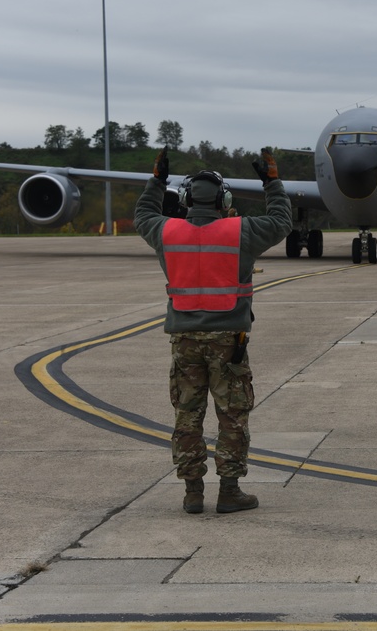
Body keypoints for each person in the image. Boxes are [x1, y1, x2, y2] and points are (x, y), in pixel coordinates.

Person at [134, 148, 292, 514]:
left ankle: (192, 492)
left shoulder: (166, 231)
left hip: (185, 340)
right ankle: (229, 490)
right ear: (225, 200)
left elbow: (143, 214)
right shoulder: (242, 231)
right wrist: (272, 182)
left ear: (186, 199)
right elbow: (281, 220)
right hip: (228, 342)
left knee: (187, 414)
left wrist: (156, 182)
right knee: (232, 415)